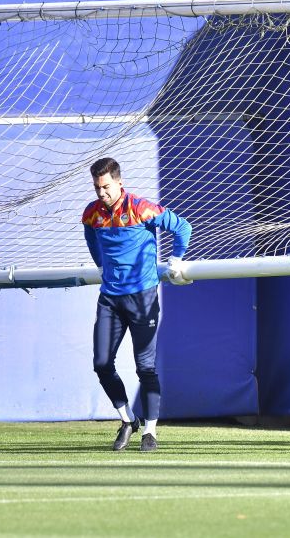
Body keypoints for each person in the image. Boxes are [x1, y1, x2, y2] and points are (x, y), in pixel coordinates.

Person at [82, 158, 191, 452]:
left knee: (146, 367)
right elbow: (91, 238)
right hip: (110, 299)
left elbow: (182, 227)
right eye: (96, 187)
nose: (101, 192)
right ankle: (128, 420)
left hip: (143, 297)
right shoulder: (92, 214)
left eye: (105, 186)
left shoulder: (141, 208)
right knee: (101, 364)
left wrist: (177, 259)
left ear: (119, 182)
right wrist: (101, 265)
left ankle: (150, 433)